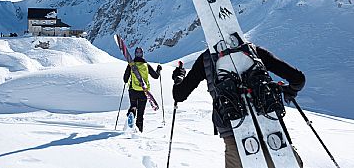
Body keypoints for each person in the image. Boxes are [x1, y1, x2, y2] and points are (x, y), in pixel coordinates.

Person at [172, 44, 305, 168]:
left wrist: (179, 77)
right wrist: (290, 91)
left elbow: (179, 95)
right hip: (272, 129)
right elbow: (298, 79)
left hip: (234, 135)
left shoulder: (206, 60)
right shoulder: (254, 51)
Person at [123, 47, 162, 132]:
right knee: (140, 113)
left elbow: (125, 79)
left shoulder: (131, 64)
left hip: (133, 90)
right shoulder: (146, 65)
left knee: (133, 106)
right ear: (142, 54)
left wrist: (127, 78)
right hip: (144, 92)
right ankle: (139, 131)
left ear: (135, 54)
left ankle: (132, 112)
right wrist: (158, 69)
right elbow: (155, 76)